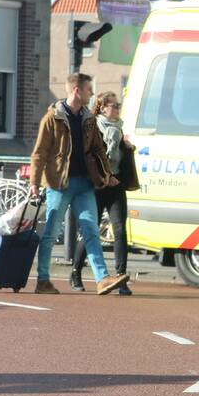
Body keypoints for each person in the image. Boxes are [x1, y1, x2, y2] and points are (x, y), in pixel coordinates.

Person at [28, 73, 130, 296]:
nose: (91, 94)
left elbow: (98, 150)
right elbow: (39, 154)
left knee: (92, 231)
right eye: (88, 90)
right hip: (59, 184)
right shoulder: (52, 118)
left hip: (84, 185)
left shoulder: (88, 119)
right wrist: (34, 183)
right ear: (77, 91)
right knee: (51, 234)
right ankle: (42, 280)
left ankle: (102, 279)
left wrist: (107, 174)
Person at [70, 91, 136, 295]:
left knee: (120, 230)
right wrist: (104, 176)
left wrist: (127, 148)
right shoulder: (93, 127)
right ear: (102, 108)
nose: (117, 109)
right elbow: (90, 156)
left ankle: (121, 277)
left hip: (116, 185)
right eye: (113, 105)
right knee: (92, 230)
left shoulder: (119, 129)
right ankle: (75, 271)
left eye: (118, 105)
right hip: (98, 185)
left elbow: (118, 157)